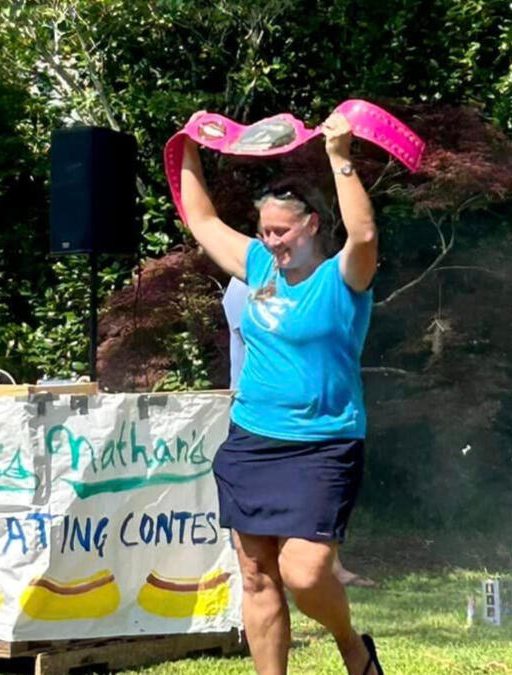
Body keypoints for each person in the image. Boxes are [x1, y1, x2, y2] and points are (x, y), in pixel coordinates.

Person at [181, 111, 383, 675]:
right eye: (264, 231)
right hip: (253, 440)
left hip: (324, 445)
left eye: (282, 232)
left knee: (305, 572)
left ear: (313, 224)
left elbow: (364, 233)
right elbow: (201, 220)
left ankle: (349, 643)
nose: (270, 243)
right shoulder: (255, 266)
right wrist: (188, 148)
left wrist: (340, 155)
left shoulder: (344, 278)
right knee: (256, 573)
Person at [222, 276, 376, 589]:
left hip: (303, 424)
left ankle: (328, 569)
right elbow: (272, 342)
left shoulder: (310, 281)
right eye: (269, 234)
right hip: (257, 419)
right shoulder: (245, 285)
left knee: (308, 521)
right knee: (258, 548)